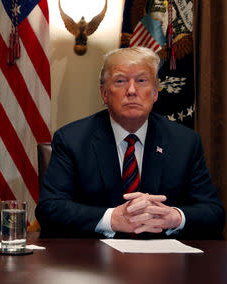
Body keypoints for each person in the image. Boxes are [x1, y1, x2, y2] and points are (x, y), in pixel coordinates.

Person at [35, 47, 225, 239]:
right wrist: (112, 219)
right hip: (93, 262)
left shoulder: (185, 142)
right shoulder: (72, 140)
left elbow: (213, 213)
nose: (132, 91)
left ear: (155, 92)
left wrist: (174, 217)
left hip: (164, 262)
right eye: (120, 81)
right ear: (104, 93)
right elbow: (50, 209)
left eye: (141, 81)